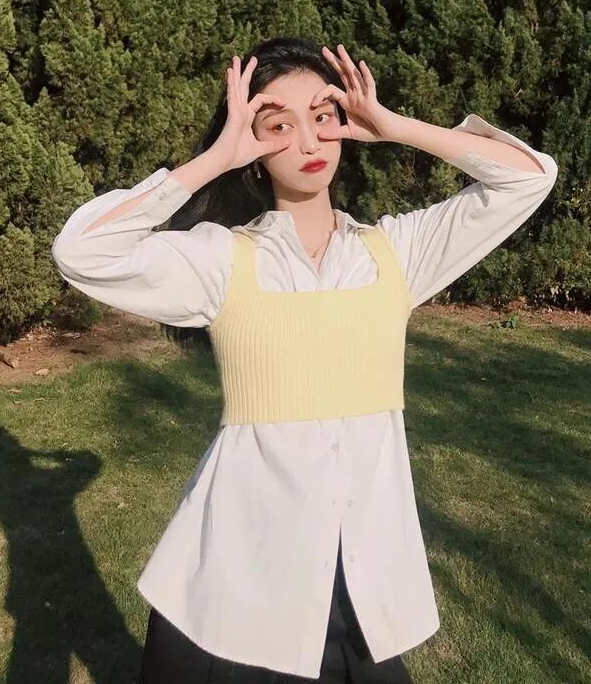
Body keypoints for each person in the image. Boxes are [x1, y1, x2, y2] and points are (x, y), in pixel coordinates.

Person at [51, 36, 558, 683]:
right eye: (279, 125)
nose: (310, 140)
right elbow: (81, 252)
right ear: (254, 148)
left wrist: (397, 127)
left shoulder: (395, 255)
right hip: (234, 589)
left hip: (365, 585)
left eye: (323, 115)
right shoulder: (222, 261)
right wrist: (215, 159)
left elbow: (530, 176)